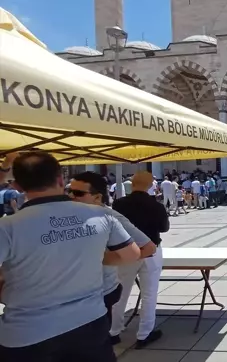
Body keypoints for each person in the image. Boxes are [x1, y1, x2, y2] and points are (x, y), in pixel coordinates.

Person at [0, 152, 141, 362]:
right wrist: (95, 258)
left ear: (18, 186)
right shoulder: (100, 214)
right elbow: (132, 254)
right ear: (61, 179)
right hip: (90, 322)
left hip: (29, 333)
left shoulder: (7, 227)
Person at [68, 172, 156, 324]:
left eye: (78, 193)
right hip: (74, 292)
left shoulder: (109, 216)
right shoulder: (70, 214)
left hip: (100, 292)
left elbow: (149, 247)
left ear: (97, 197)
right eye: (68, 191)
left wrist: (104, 259)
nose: (71, 196)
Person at [110, 172, 169, 349]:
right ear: (150, 184)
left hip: (127, 251)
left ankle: (113, 331)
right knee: (149, 294)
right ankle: (144, 334)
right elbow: (164, 228)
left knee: (120, 292)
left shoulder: (119, 203)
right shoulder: (156, 205)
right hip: (151, 251)